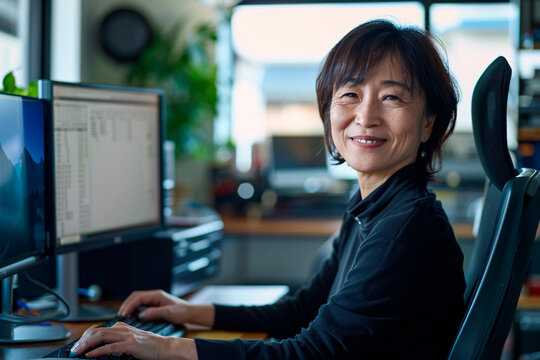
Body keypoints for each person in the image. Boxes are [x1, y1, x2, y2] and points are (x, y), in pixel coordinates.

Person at [71, 19, 465, 359]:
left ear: (429, 122)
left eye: (392, 97)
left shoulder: (405, 231)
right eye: (350, 94)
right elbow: (303, 309)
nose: (365, 116)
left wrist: (163, 347)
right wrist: (187, 313)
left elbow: (309, 353)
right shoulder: (377, 206)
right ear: (330, 110)